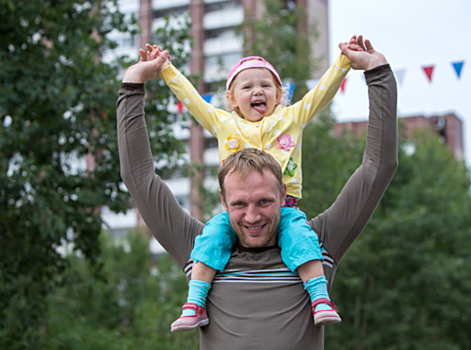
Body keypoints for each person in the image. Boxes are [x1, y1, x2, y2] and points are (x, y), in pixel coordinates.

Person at [117, 35, 397, 349]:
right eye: (239, 203)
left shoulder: (318, 244)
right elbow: (138, 177)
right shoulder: (200, 252)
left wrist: (378, 72)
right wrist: (133, 82)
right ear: (223, 199)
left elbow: (379, 166)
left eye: (264, 201)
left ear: (283, 193)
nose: (252, 216)